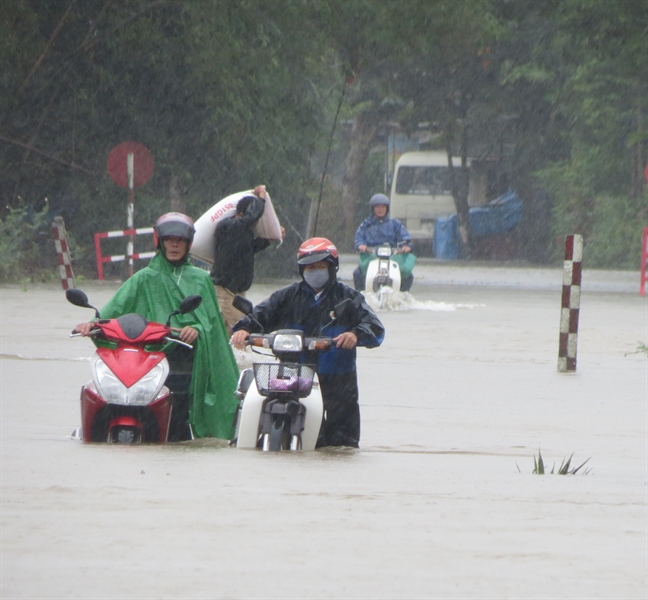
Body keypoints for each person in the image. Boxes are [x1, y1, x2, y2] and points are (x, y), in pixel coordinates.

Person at [75, 213, 239, 442]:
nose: (174, 244)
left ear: (188, 243)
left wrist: (196, 329)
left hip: (187, 364)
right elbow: (112, 312)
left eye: (180, 240)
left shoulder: (201, 280)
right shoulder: (144, 278)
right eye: (169, 239)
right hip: (148, 363)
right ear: (160, 242)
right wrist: (91, 325)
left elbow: (211, 325)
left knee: (180, 425)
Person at [231, 237, 385, 448]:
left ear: (332, 267)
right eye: (310, 267)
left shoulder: (348, 298)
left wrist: (356, 335)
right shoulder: (288, 296)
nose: (315, 271)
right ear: (301, 269)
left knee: (340, 448)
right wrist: (244, 328)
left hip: (338, 381)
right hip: (294, 376)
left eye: (321, 266)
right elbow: (262, 314)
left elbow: (375, 328)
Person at [210, 185, 284, 334]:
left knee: (224, 332)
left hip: (238, 290)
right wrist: (261, 198)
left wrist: (270, 240)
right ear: (244, 213)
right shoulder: (230, 226)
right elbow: (251, 217)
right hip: (225, 289)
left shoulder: (243, 231)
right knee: (241, 329)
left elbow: (251, 248)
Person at [353, 193, 416, 292]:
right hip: (371, 255)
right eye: (377, 206)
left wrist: (406, 245)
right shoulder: (366, 225)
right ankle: (361, 296)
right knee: (357, 273)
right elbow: (359, 237)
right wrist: (361, 245)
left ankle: (402, 296)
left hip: (392, 255)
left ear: (387, 208)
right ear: (372, 208)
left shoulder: (395, 224)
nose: (380, 209)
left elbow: (405, 237)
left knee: (408, 275)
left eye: (383, 206)